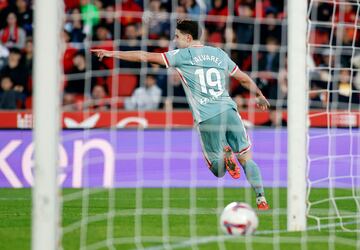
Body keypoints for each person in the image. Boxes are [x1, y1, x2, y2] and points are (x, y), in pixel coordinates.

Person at [91, 19, 270, 210]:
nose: (175, 40)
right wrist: (259, 95)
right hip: (230, 110)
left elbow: (144, 56)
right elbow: (242, 78)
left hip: (207, 116)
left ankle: (225, 156)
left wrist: (112, 53)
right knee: (246, 158)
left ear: (188, 37)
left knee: (217, 170)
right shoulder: (219, 53)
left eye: (177, 36)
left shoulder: (182, 55)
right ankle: (261, 198)